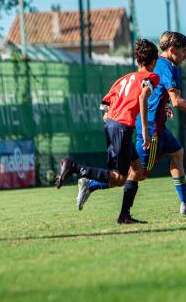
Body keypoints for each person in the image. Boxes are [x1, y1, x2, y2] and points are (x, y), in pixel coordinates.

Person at [54, 39, 160, 224]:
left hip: (113, 124)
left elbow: (104, 103)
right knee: (119, 178)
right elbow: (143, 98)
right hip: (122, 127)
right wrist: (144, 129)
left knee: (137, 169)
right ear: (153, 62)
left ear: (138, 60)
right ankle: (75, 167)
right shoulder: (151, 77)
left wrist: (109, 117)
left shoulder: (123, 79)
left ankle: (124, 216)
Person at [135, 31, 186, 215]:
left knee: (177, 153)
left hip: (158, 124)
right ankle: (92, 183)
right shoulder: (166, 66)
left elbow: (159, 92)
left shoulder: (164, 64)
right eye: (184, 51)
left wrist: (165, 104)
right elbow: (177, 101)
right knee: (137, 174)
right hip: (152, 128)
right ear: (172, 50)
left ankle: (185, 202)